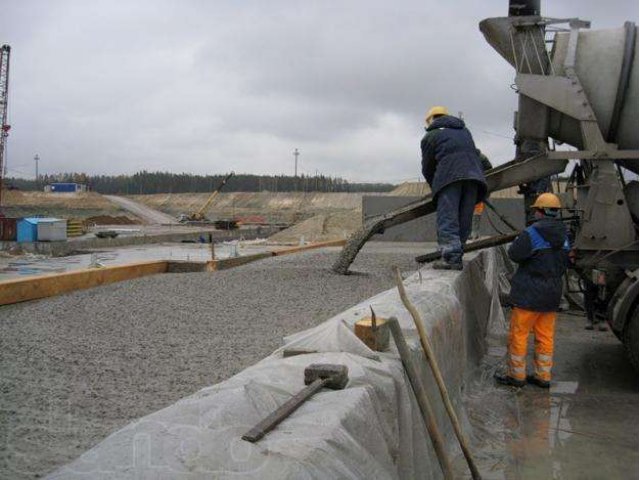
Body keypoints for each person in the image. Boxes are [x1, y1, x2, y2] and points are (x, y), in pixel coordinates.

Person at [495, 193, 570, 389]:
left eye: (536, 209)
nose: (534, 213)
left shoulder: (532, 233)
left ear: (541, 211)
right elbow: (565, 262)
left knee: (518, 335)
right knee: (545, 337)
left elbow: (514, 254)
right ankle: (543, 376)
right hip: (552, 294)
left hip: (529, 293)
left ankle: (516, 375)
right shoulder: (564, 235)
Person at [421, 106, 488, 269]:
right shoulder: (465, 132)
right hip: (474, 179)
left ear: (430, 120)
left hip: (449, 178)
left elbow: (428, 167)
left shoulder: (431, 136)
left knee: (448, 217)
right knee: (464, 217)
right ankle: (457, 254)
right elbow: (478, 155)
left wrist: (435, 187)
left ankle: (451, 258)